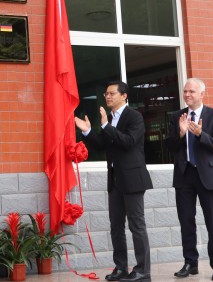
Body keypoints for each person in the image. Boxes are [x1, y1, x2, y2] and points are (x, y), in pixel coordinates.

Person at [75, 80, 152, 282]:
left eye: (112, 93)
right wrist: (87, 131)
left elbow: (128, 142)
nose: (107, 97)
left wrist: (106, 126)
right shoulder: (109, 118)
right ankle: (121, 268)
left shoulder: (134, 116)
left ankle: (143, 271)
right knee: (116, 226)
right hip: (115, 179)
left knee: (136, 225)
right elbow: (102, 145)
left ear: (124, 96)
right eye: (106, 94)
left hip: (133, 179)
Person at [165, 78, 213, 281]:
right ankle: (190, 263)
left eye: (191, 91)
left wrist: (200, 134)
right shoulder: (176, 116)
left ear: (202, 94)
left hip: (207, 175)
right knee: (186, 221)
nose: (187, 94)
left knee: (212, 222)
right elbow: (170, 146)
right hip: (184, 175)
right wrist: (181, 134)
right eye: (185, 91)